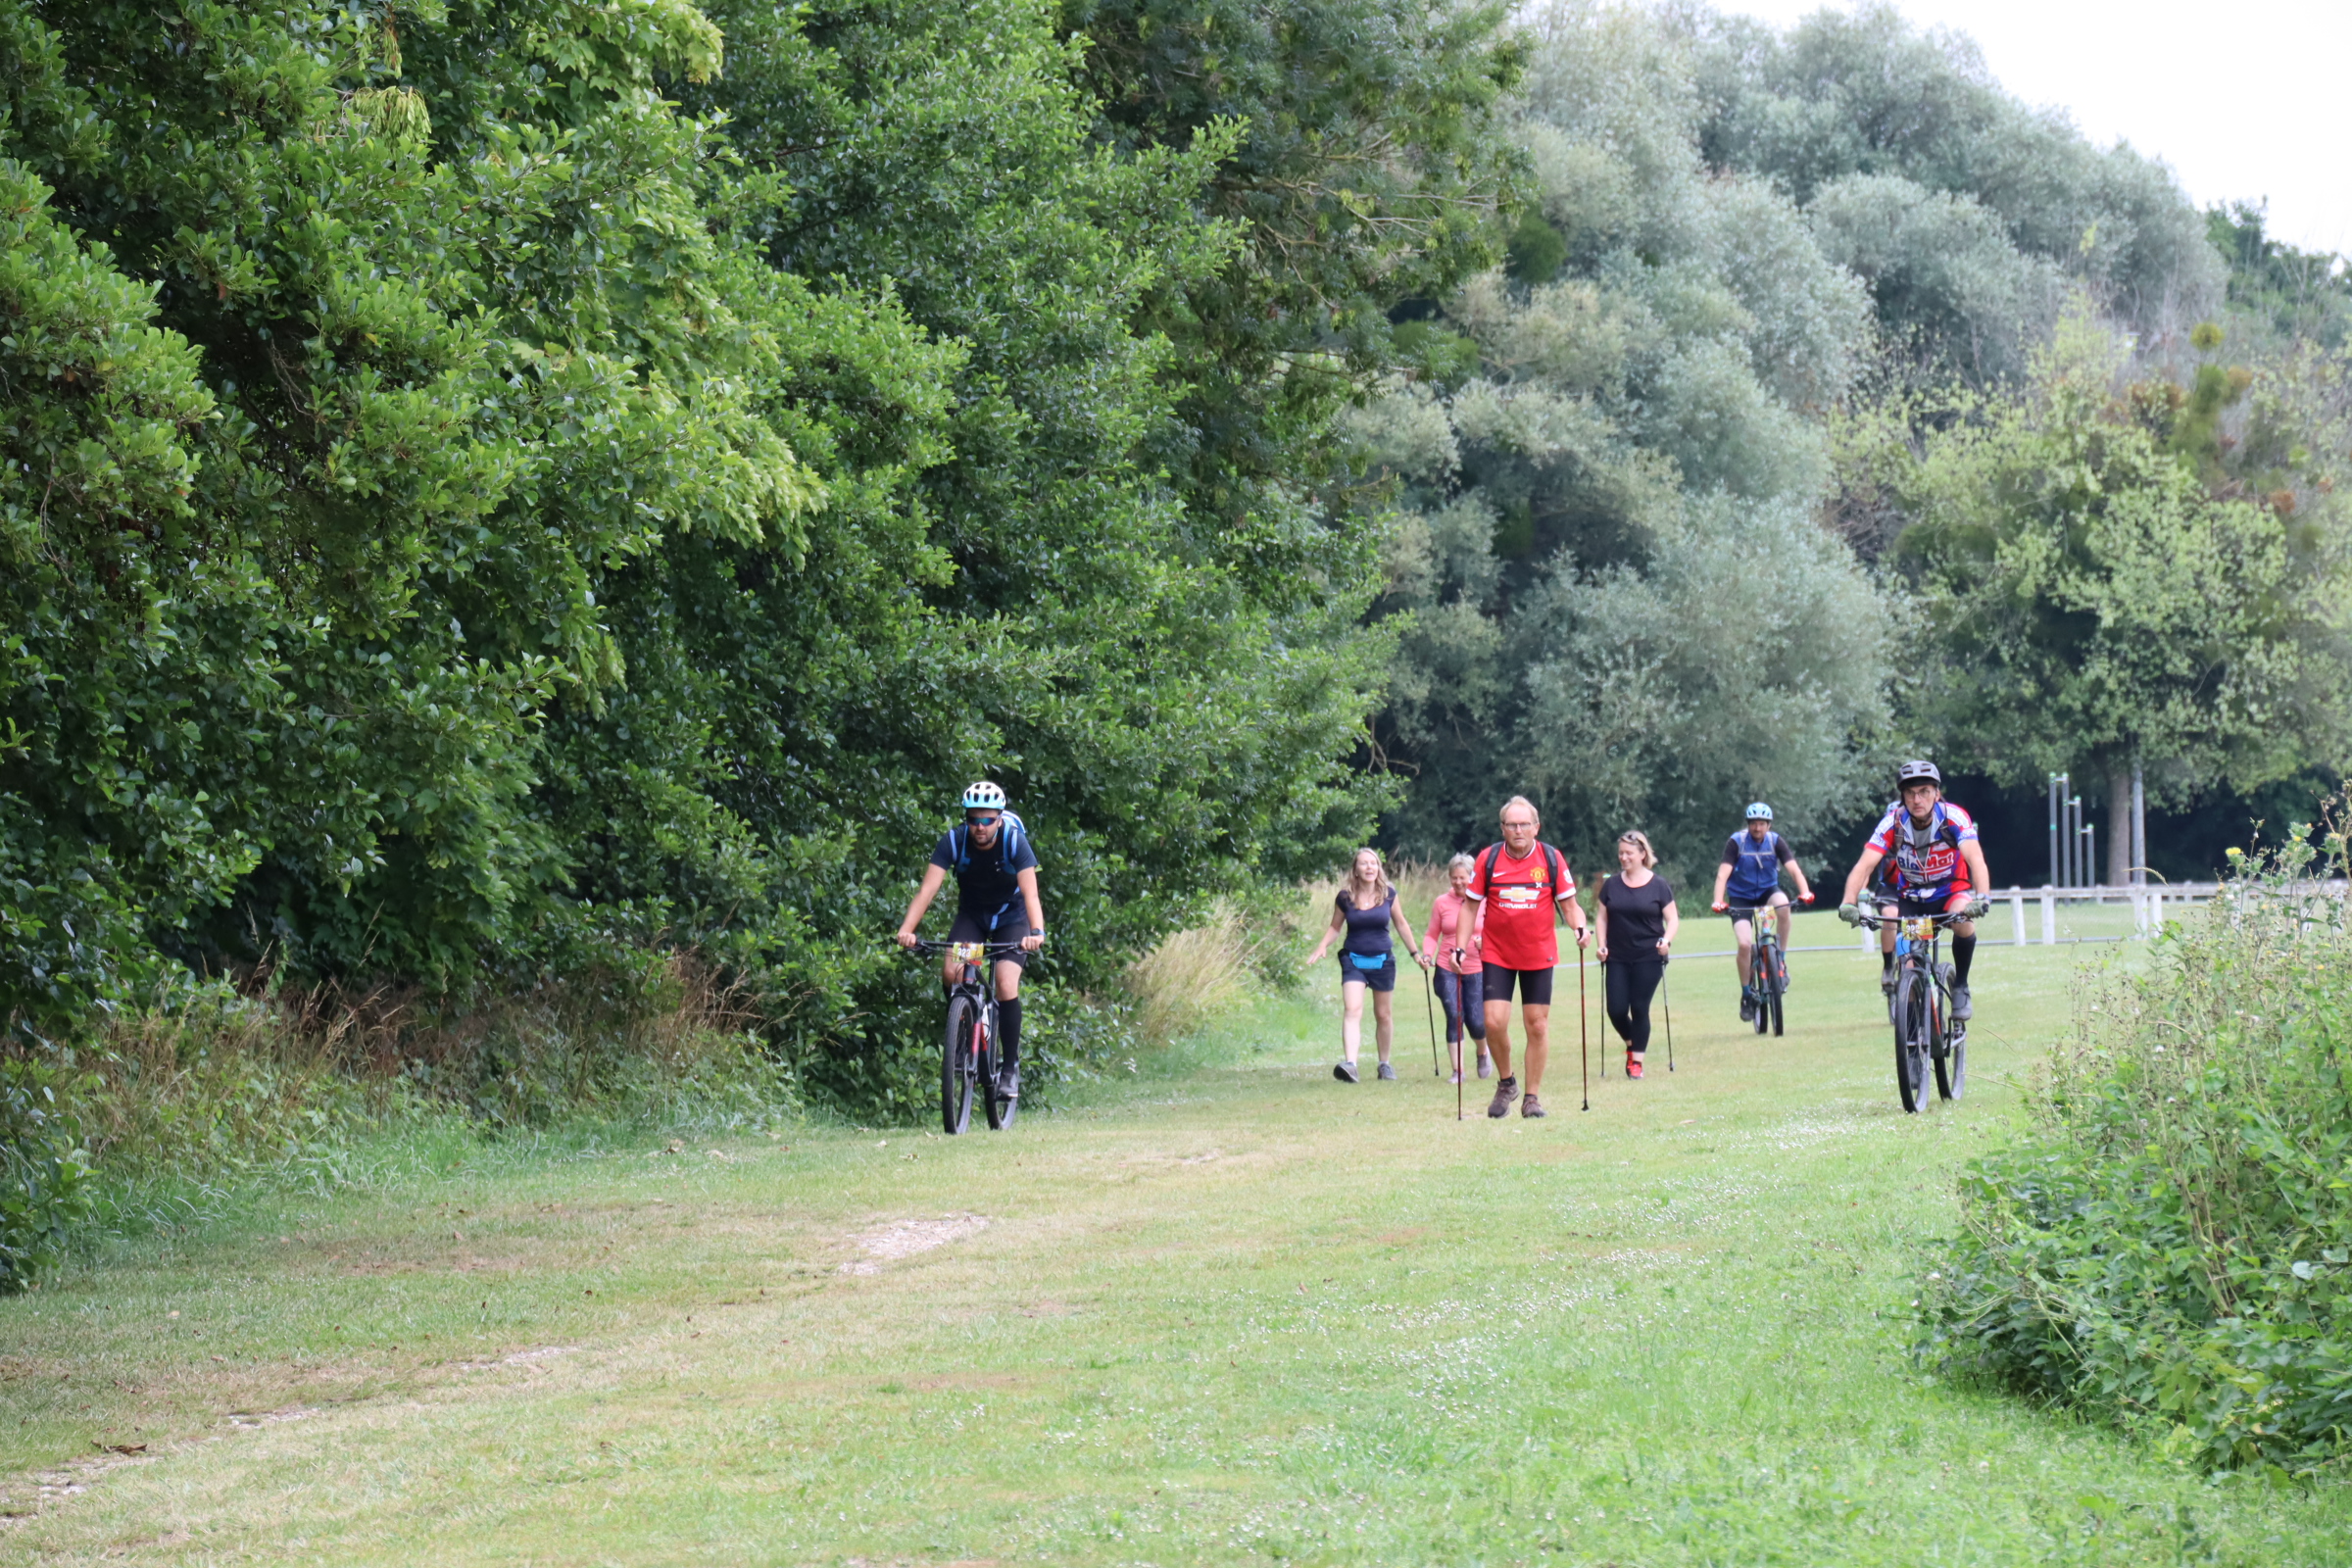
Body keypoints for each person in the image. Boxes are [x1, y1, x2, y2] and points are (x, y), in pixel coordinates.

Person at [895, 781, 1047, 1100]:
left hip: (1011, 919)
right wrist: (907, 930)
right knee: (953, 972)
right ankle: (962, 1034)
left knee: (1005, 982)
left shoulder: (1013, 841)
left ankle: (1010, 1068)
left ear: (999, 818)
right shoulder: (953, 841)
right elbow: (927, 890)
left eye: (987, 819)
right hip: (974, 918)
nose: (980, 826)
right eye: (973, 819)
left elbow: (1031, 894)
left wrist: (1036, 933)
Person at [1838, 760, 1993, 1019]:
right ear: (1903, 797)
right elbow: (1864, 865)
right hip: (1912, 900)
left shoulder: (1953, 818)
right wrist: (1848, 902)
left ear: (1937, 794)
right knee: (1908, 962)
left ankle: (1961, 986)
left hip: (1950, 892)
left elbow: (1976, 859)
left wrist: (1982, 897)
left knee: (1964, 921)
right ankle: (1910, 1021)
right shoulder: (1892, 824)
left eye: (1924, 792)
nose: (1917, 799)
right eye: (1910, 793)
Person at [1467, 796, 1590, 1119]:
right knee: (1493, 1022)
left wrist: (1580, 928)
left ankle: (1532, 1098)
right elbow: (1469, 907)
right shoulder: (1488, 859)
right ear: (1503, 828)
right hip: (1498, 952)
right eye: (1512, 825)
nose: (1518, 830)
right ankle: (1507, 1082)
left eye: (1524, 824)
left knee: (1536, 1025)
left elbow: (1570, 906)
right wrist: (1458, 946)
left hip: (1538, 952)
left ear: (1536, 827)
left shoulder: (1550, 858)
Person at [1304, 848, 1427, 1081]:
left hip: (1383, 961)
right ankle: (1351, 1064)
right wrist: (1322, 946)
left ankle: (1384, 1064)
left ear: (1379, 868)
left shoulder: (1389, 894)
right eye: (1364, 863)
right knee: (1352, 1009)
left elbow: (1401, 924)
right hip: (1354, 960)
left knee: (1383, 1014)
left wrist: (1415, 954)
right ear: (1356, 870)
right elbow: (1335, 927)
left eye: (1373, 863)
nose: (1370, 867)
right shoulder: (1345, 897)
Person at [1708, 802, 1815, 1022]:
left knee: (1784, 906)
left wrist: (1805, 892)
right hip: (1741, 897)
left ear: (1769, 825)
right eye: (1754, 823)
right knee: (1744, 944)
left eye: (1762, 824)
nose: (1757, 828)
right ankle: (1746, 994)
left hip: (1767, 891)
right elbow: (1722, 875)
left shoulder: (1775, 841)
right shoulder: (1736, 842)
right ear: (1748, 824)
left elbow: (1794, 870)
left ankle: (1781, 960)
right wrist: (1718, 900)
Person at [1595, 830, 1678, 1078]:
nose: (1624, 857)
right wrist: (1601, 945)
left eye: (1629, 853)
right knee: (1616, 1009)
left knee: (1640, 1007)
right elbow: (1601, 918)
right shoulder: (1611, 884)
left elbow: (1672, 919)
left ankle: (1636, 1063)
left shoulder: (1658, 885)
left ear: (1642, 854)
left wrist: (1666, 941)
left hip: (1649, 954)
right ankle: (1633, 1043)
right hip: (1617, 955)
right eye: (1621, 853)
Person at [1422, 853, 1491, 1084]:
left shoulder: (1485, 901)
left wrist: (1485, 941)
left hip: (1477, 966)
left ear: (1473, 877)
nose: (1459, 882)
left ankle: (1482, 1051)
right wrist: (1427, 954)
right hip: (1446, 966)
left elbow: (1497, 931)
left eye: (1463, 878)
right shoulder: (1442, 902)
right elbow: (1432, 935)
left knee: (1476, 1021)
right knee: (1454, 1014)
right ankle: (1458, 1070)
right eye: (1454, 878)